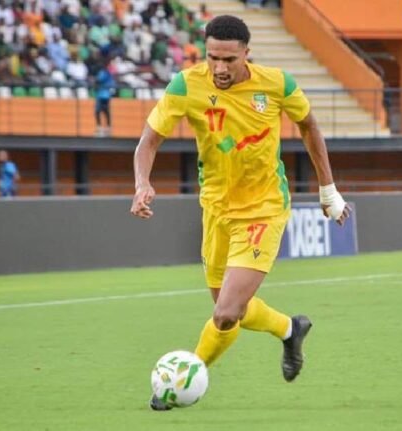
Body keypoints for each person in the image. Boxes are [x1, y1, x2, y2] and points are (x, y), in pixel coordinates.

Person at [130, 15, 351, 411]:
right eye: (212, 57)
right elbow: (149, 141)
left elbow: (309, 127)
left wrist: (328, 190)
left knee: (226, 312)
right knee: (234, 310)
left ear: (247, 53)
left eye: (229, 59)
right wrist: (142, 183)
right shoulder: (186, 85)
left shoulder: (277, 84)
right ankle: (290, 329)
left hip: (263, 209)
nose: (219, 68)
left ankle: (182, 380)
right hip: (215, 211)